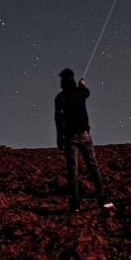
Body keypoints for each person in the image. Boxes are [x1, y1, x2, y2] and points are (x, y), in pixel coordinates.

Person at [54, 68, 111, 212]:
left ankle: (75, 204)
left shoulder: (60, 97)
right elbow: (87, 92)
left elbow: (58, 119)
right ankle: (102, 198)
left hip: (70, 137)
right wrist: (83, 85)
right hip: (84, 135)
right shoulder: (80, 93)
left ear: (64, 81)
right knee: (93, 166)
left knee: (73, 170)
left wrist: (59, 137)